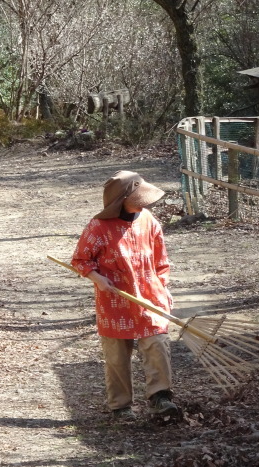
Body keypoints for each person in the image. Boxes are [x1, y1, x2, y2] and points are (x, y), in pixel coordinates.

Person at [71, 170, 179, 422]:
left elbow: (161, 261)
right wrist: (97, 278)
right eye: (138, 198)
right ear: (121, 200)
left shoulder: (149, 220)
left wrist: (163, 288)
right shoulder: (98, 227)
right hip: (114, 300)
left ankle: (160, 397)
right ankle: (120, 406)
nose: (145, 203)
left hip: (150, 297)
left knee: (157, 344)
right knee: (117, 356)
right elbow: (80, 260)